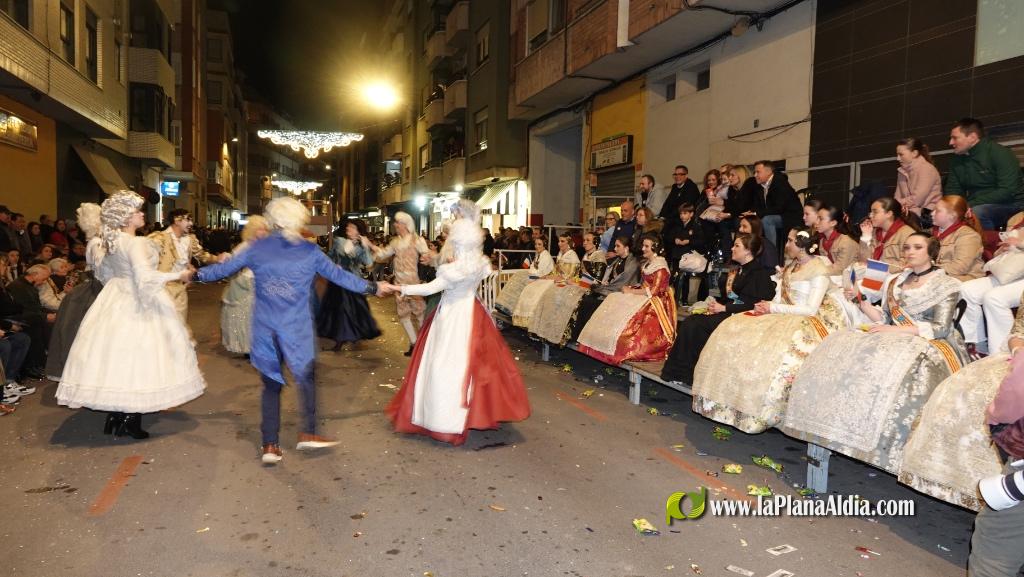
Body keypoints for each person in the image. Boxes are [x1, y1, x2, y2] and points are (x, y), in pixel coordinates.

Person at [196, 197, 393, 464]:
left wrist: (193, 275)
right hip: (296, 328)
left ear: (273, 220)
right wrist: (373, 287)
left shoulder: (256, 247)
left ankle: (270, 445)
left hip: (265, 327)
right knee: (306, 379)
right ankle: (308, 433)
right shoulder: (309, 251)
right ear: (298, 221)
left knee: (271, 385)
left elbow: (222, 269)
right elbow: (341, 277)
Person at [782, 232, 967, 474]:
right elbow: (885, 319)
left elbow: (941, 328)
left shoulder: (946, 285)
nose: (910, 252)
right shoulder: (896, 281)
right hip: (893, 334)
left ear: (932, 253)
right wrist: (862, 303)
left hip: (928, 341)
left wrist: (894, 330)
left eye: (918, 247)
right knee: (845, 346)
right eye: (907, 247)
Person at [56, 191, 204, 440]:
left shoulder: (112, 242)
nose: (141, 214)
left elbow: (104, 276)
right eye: (136, 211)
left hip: (114, 298)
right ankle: (129, 419)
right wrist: (179, 275)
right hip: (135, 301)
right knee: (138, 358)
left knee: (115, 359)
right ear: (125, 218)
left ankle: (115, 416)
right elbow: (145, 278)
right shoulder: (134, 243)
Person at [386, 217, 530, 446]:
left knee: (444, 365)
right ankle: (475, 411)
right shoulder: (479, 262)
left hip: (452, 316)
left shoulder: (453, 269)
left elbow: (429, 288)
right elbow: (480, 274)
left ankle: (445, 419)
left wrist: (398, 287)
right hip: (474, 313)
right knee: (475, 366)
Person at [691, 228, 846, 433]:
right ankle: (730, 402)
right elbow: (780, 297)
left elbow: (809, 309)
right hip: (781, 314)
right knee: (734, 328)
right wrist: (766, 305)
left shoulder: (819, 270)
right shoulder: (793, 267)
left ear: (801, 246)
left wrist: (772, 308)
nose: (787, 245)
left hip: (805, 320)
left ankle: (761, 411)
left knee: (775, 351)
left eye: (790, 241)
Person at [661, 234, 776, 384]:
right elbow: (731, 296)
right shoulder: (738, 269)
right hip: (731, 312)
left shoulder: (759, 273)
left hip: (744, 317)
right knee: (692, 321)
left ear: (748, 251)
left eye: (737, 246)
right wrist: (715, 305)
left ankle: (687, 374)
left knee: (695, 325)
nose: (732, 248)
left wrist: (724, 307)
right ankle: (682, 372)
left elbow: (753, 304)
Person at [576, 233, 676, 364]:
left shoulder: (660, 266)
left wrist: (631, 291)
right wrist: (631, 288)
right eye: (643, 245)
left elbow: (654, 291)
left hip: (656, 301)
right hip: (644, 294)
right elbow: (644, 284)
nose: (643, 248)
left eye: (647, 246)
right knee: (615, 298)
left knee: (629, 321)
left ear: (655, 248)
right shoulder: (648, 263)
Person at [45, 203, 105, 382]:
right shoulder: (96, 243)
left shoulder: (98, 241)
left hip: (99, 285)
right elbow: (101, 268)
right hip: (98, 288)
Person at [945, 117, 1024, 230]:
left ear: (972, 137)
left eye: (955, 138)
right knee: (944, 213)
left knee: (977, 213)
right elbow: (953, 189)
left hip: (1012, 204)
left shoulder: (1000, 153)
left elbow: (1007, 190)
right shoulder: (956, 160)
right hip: (976, 204)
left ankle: (986, 245)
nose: (950, 142)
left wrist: (969, 204)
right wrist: (952, 207)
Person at [316, 218, 381, 352]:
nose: (348, 229)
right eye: (348, 227)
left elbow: (369, 265)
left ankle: (351, 336)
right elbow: (330, 256)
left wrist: (366, 246)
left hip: (354, 282)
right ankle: (339, 340)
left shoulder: (361, 247)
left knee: (353, 311)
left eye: (351, 227)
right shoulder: (339, 241)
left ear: (358, 231)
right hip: (337, 281)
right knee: (337, 311)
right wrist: (333, 266)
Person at [148, 209, 220, 327]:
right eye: (188, 220)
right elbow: (146, 260)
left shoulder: (190, 239)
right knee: (162, 327)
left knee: (179, 326)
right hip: (162, 289)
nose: (191, 224)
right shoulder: (158, 238)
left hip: (181, 289)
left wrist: (218, 259)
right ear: (177, 220)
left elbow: (202, 255)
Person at [371, 211, 428, 356]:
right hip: (398, 282)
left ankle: (423, 344)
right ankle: (414, 343)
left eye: (398, 222)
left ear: (405, 224)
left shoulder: (417, 240)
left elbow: (427, 255)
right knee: (403, 314)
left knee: (419, 312)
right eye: (395, 222)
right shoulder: (395, 241)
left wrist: (431, 259)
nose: (395, 225)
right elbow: (383, 254)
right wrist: (371, 246)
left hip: (413, 282)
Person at [570, 236, 640, 342]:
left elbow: (624, 282)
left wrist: (607, 285)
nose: (615, 249)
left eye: (618, 246)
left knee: (591, 302)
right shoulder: (618, 260)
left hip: (620, 292)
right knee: (586, 299)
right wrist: (606, 283)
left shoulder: (632, 263)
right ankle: (579, 336)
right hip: (608, 289)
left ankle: (587, 339)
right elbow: (610, 277)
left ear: (626, 248)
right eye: (615, 246)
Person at [220, 216, 271, 356]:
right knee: (245, 318)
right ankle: (248, 348)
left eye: (265, 229)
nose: (263, 232)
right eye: (260, 229)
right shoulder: (245, 246)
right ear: (253, 230)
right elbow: (230, 261)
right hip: (246, 284)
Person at [750, 161, 802, 251]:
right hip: (777, 215)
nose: (755, 175)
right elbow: (758, 205)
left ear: (769, 172)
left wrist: (756, 213)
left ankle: (771, 253)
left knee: (767, 220)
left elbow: (779, 208)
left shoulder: (780, 183)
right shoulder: (760, 186)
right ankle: (754, 253)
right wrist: (752, 213)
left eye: (758, 172)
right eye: (754, 172)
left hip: (790, 216)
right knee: (751, 220)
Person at [930, 195, 984, 281]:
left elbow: (960, 267)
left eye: (937, 211)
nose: (932, 213)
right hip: (940, 276)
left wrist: (929, 272)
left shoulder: (968, 236)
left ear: (952, 215)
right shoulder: (932, 233)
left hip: (965, 279)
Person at [858, 197, 918, 272]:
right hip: (874, 277)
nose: (870, 216)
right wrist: (866, 236)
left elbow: (907, 265)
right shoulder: (873, 232)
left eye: (875, 212)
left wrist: (877, 268)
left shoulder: (908, 234)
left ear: (889, 214)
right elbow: (863, 261)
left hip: (894, 280)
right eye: (870, 212)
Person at [894, 137, 942, 225]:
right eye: (897, 155)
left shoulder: (927, 169)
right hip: (910, 211)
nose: (898, 158)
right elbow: (896, 198)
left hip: (928, 214)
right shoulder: (901, 172)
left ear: (914, 153)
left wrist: (899, 205)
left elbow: (917, 200)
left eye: (901, 154)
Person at [815, 204, 860, 276]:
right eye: (816, 218)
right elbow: (826, 264)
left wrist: (814, 272)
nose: (816, 222)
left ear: (833, 223)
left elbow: (840, 269)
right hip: (835, 279)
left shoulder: (846, 242)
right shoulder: (822, 241)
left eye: (820, 219)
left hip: (852, 282)